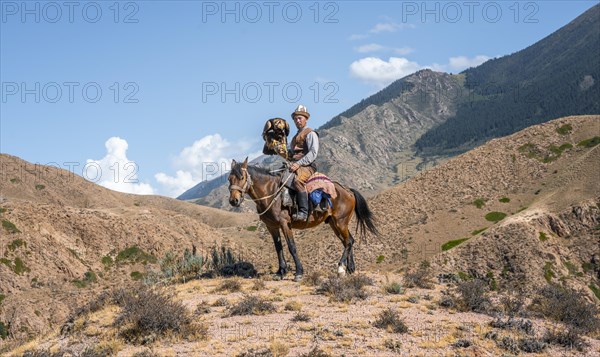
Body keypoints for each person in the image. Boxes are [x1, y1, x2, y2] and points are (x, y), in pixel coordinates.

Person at [287, 104, 319, 221]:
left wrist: (298, 164)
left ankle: (303, 212)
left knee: (297, 181)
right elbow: (292, 153)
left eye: (300, 118)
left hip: (308, 166)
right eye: (295, 119)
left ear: (306, 119)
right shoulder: (295, 137)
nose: (297, 120)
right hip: (295, 165)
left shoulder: (310, 133)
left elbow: (313, 153)